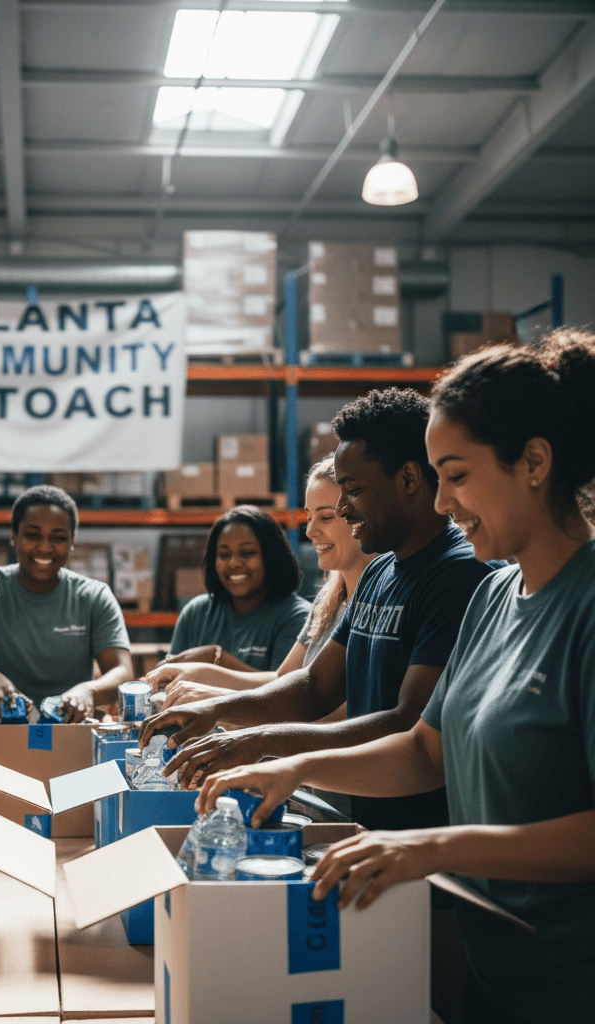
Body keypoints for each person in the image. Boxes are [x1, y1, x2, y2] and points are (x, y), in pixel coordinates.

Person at [196, 334, 595, 1024]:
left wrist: (428, 846)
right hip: (492, 971)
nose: (441, 502)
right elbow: (424, 751)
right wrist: (292, 766)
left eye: (457, 474)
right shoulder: (495, 597)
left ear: (534, 462)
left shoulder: (585, 610)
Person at [141, 387, 495, 833]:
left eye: (353, 491)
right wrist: (220, 710)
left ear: (407, 479)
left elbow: (408, 724)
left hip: (429, 835)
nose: (344, 509)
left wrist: (262, 742)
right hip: (371, 825)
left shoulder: (458, 576)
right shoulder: (380, 571)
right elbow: (314, 686)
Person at [147, 456, 375, 714]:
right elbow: (282, 680)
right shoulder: (328, 600)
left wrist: (221, 703)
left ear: (360, 515)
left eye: (325, 517)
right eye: (309, 517)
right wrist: (201, 673)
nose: (310, 531)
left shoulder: (381, 602)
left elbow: (343, 710)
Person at [0, 484, 132, 722]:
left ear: (72, 541)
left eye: (58, 537)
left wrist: (89, 691)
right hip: (0, 733)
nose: (45, 547)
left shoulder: (94, 596)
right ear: (13, 535)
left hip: (69, 736)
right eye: (32, 535)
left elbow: (123, 672)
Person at [159, 505, 310, 673]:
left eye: (247, 553)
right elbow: (169, 679)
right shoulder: (196, 613)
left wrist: (215, 658)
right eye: (224, 555)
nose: (233, 563)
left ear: (272, 557)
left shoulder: (297, 617)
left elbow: (285, 690)